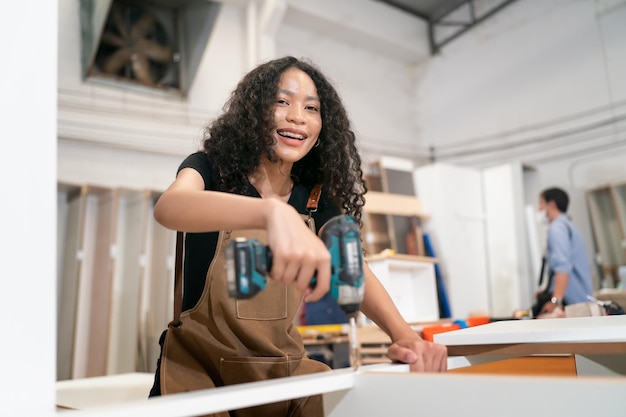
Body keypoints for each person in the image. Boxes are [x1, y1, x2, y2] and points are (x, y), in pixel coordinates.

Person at [148, 56, 447, 416]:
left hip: (281, 372)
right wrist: (270, 212)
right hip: (198, 371)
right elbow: (170, 206)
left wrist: (405, 336)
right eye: (281, 101)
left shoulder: (316, 198)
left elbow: (350, 264)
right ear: (254, 111)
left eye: (311, 108)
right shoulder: (212, 169)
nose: (296, 116)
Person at [537, 187, 593, 315]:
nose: (539, 209)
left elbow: (562, 266)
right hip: (579, 300)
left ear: (551, 204)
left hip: (571, 304)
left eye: (541, 203)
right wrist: (548, 290)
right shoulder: (569, 226)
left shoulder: (557, 228)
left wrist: (555, 301)